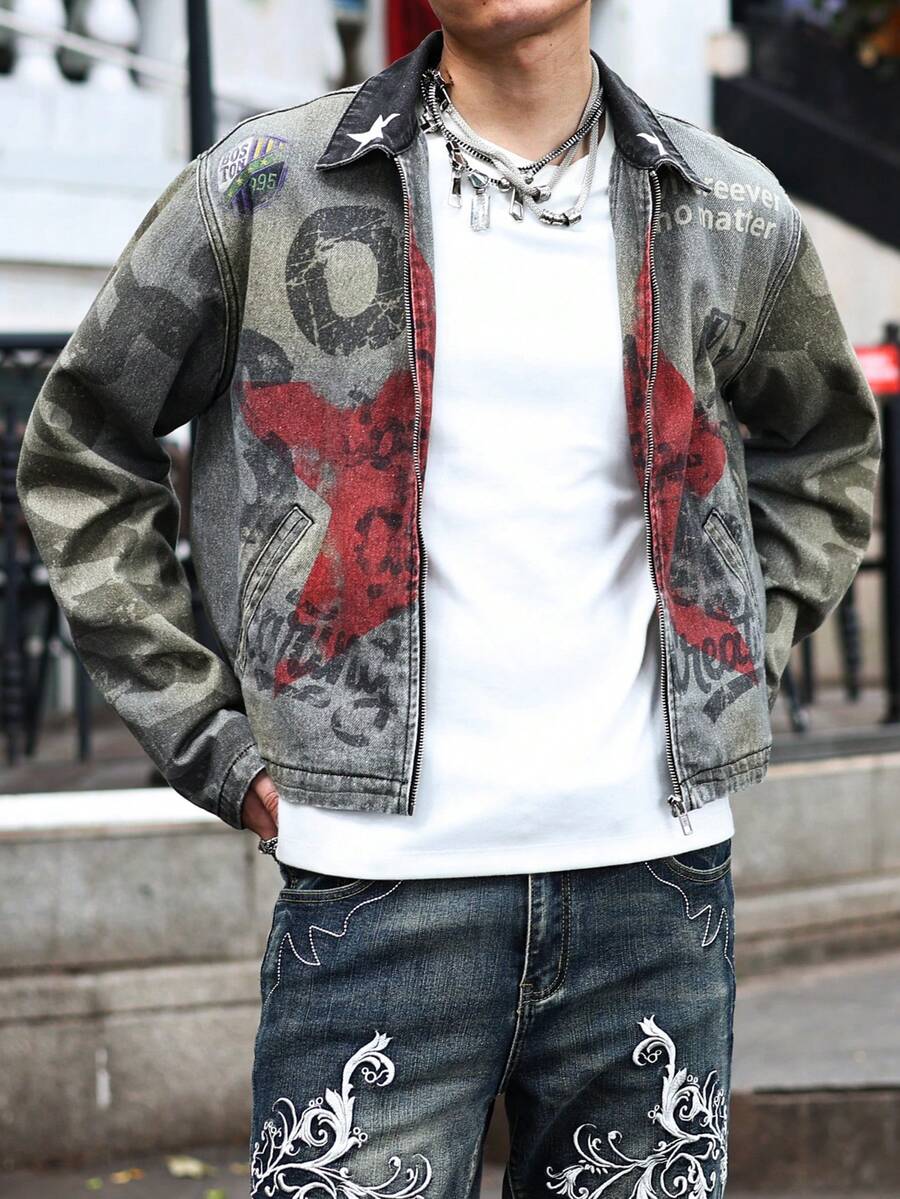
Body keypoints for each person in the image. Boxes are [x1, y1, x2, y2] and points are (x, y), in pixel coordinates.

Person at [17, 4, 881, 1195]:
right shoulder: (266, 187)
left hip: (656, 892)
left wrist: (732, 655)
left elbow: (826, 453)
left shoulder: (725, 207)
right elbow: (80, 449)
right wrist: (210, 739)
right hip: (375, 894)